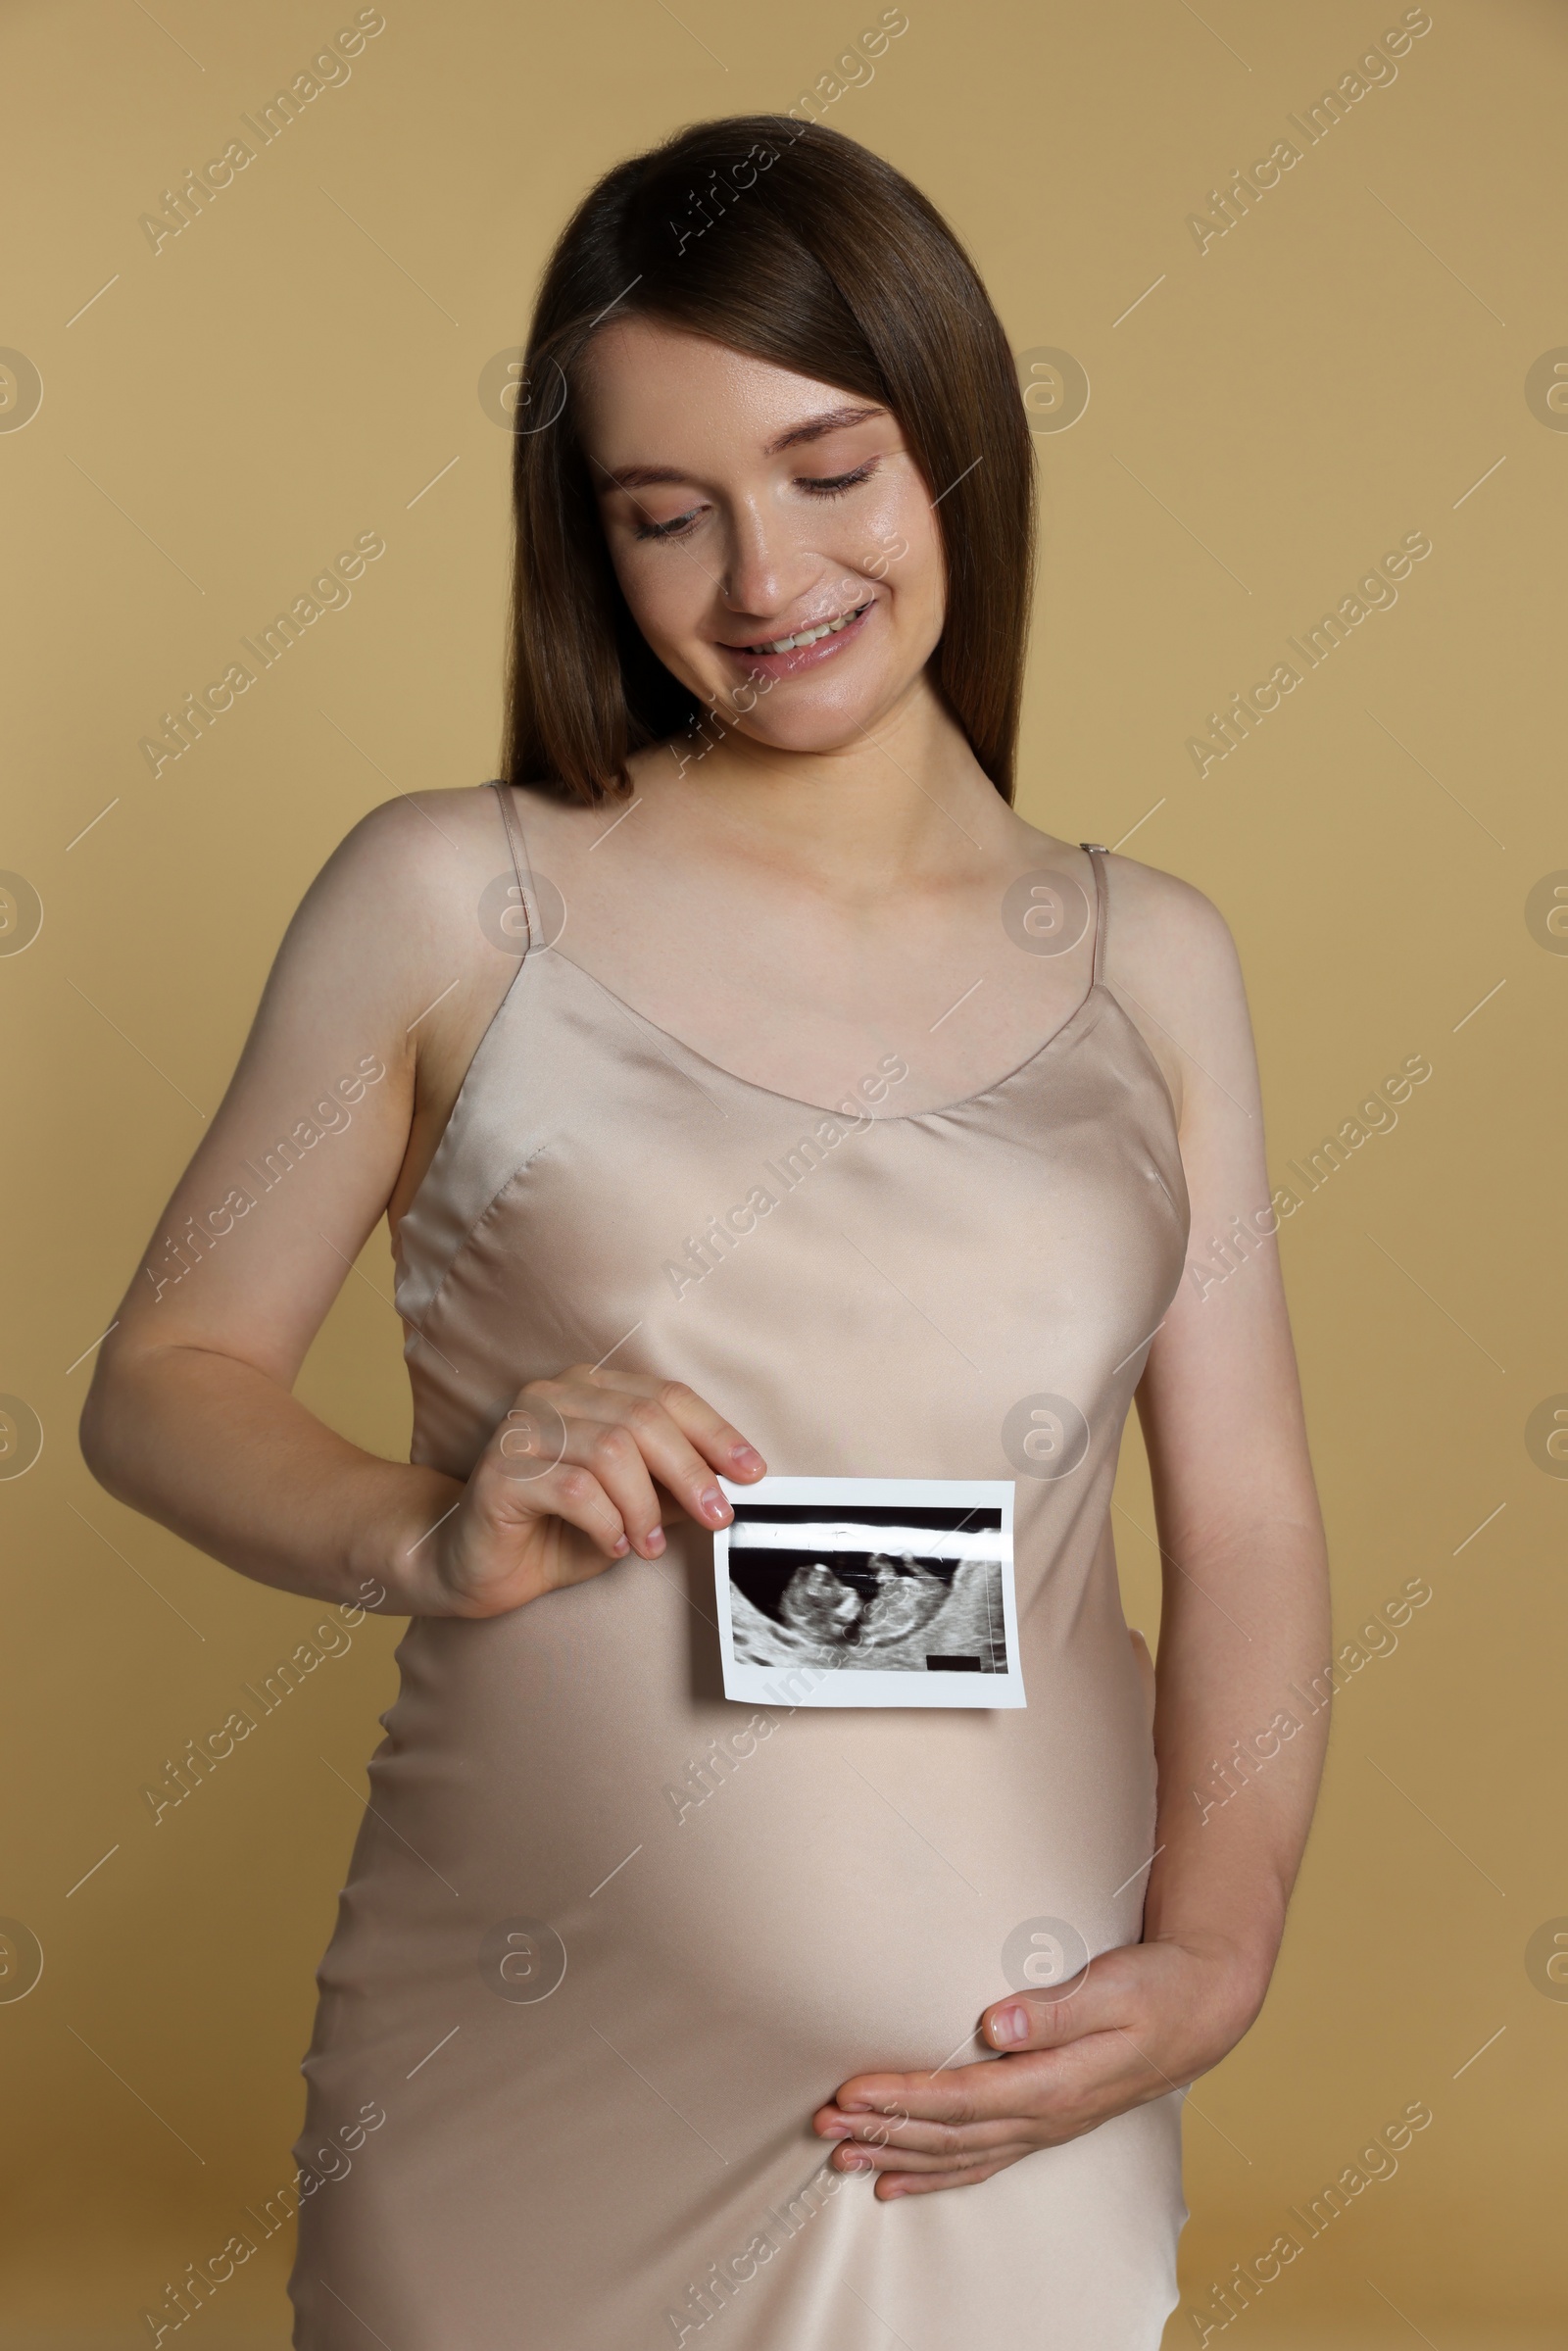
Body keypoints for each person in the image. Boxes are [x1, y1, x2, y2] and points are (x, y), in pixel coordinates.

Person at [81, 113, 1331, 2351]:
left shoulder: (1150, 963)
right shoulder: (448, 895)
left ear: (953, 446)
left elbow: (1236, 1529)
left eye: (830, 471)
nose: (764, 580)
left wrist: (1212, 1960)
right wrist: (417, 1528)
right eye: (669, 515)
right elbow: (159, 1386)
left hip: (997, 2104)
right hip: (519, 2094)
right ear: (592, 542)